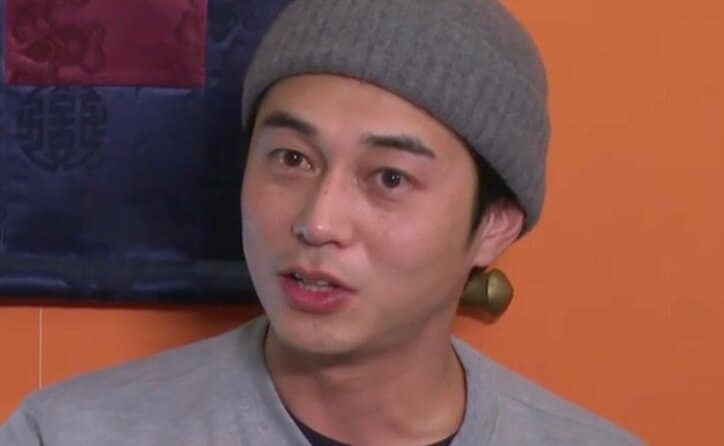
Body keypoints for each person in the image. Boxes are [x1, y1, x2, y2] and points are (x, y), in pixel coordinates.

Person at [0, 1, 644, 445]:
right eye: (292, 159)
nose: (318, 221)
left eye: (389, 178)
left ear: (494, 226)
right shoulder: (67, 434)